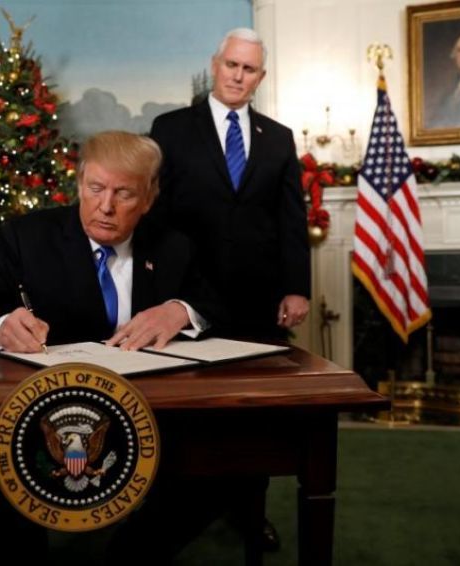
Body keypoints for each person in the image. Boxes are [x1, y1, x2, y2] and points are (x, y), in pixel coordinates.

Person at [0, 130, 220, 563]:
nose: (105, 206)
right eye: (95, 189)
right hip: (40, 412)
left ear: (148, 198)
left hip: (150, 413)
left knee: (216, 470)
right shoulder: (28, 237)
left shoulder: (174, 245)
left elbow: (216, 303)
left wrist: (179, 311)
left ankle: (130, 556)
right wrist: (0, 327)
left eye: (124, 193)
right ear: (80, 185)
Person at [149, 27, 311, 551]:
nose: (239, 76)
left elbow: (292, 220)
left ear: (260, 77)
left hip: (258, 303)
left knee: (254, 415)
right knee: (185, 410)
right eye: (232, 65)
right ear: (216, 64)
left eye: (250, 70)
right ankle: (175, 513)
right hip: (186, 300)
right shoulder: (170, 129)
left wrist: (297, 289)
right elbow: (157, 216)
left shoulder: (279, 137)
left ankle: (250, 510)